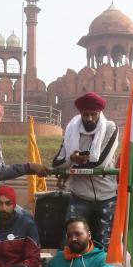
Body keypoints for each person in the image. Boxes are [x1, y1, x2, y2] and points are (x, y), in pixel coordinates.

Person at [51, 92, 119, 248]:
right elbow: (57, 162)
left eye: (93, 115)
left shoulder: (110, 128)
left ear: (99, 113)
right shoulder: (71, 130)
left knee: (104, 245)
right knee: (71, 243)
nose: (89, 118)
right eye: (85, 114)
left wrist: (70, 166)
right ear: (80, 113)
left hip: (106, 197)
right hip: (79, 197)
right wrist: (72, 159)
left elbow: (100, 163)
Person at [36, 217, 115, 267]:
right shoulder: (59, 257)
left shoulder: (104, 258)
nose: (73, 239)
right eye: (69, 236)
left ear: (89, 235)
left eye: (78, 234)